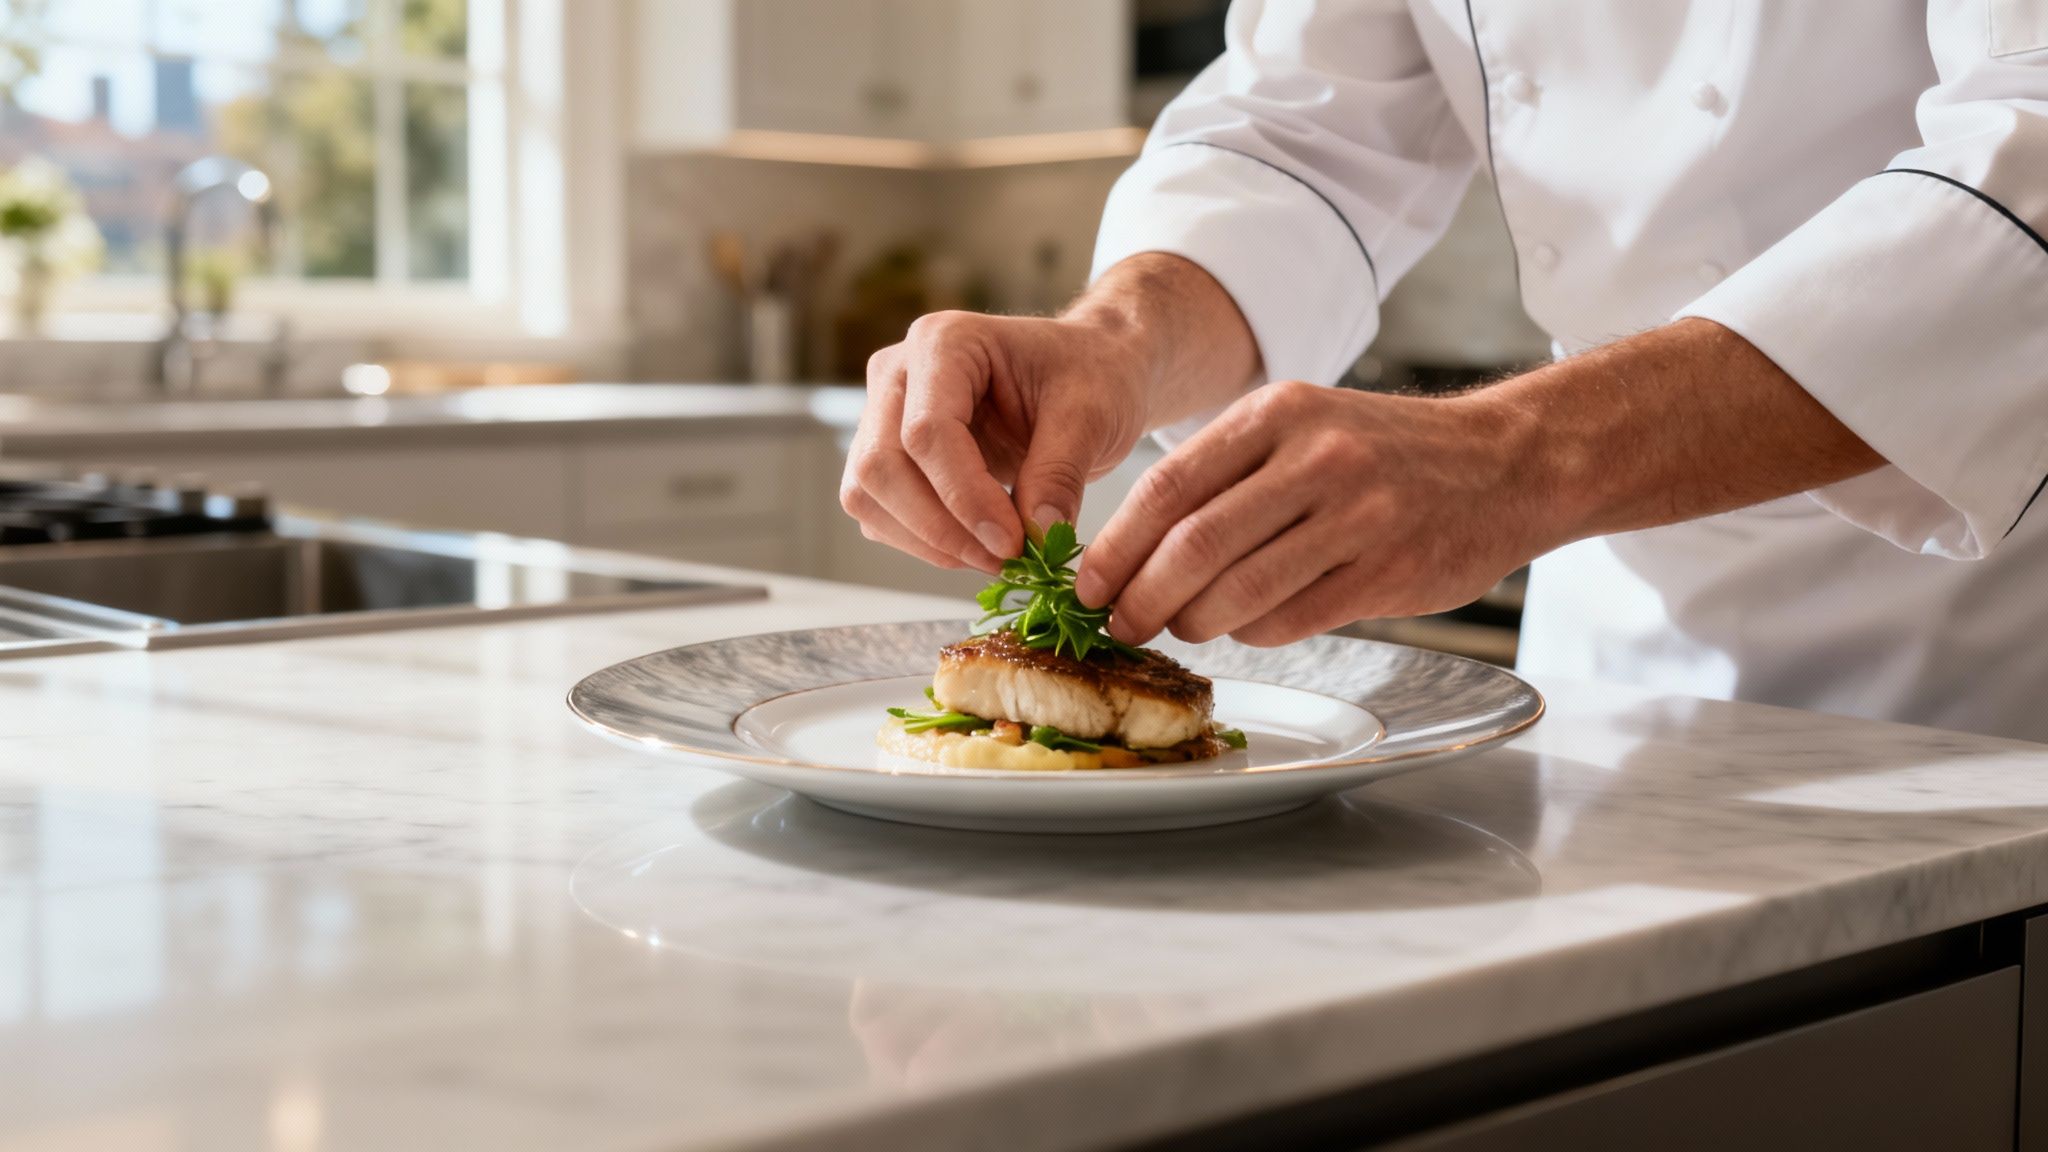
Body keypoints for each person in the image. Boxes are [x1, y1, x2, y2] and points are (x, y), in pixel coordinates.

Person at [839, 1, 2048, 741]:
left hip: (1981, 679)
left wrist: (1517, 456)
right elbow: (1300, 135)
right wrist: (1118, 339)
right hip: (1603, 679)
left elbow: (2028, 162)